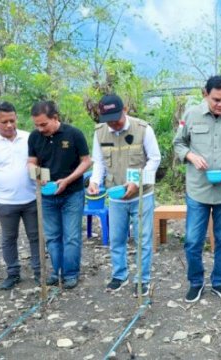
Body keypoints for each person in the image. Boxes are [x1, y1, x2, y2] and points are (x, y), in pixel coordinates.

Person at [173, 75, 221, 303]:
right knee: (193, 240)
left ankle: (219, 282)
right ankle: (196, 283)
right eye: (216, 99)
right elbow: (179, 143)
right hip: (198, 189)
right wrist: (190, 156)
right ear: (205, 94)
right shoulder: (191, 115)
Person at [87, 94, 161, 296]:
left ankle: (142, 279)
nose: (113, 124)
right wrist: (94, 181)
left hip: (142, 195)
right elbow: (99, 162)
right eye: (108, 119)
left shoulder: (143, 129)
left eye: (116, 118)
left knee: (142, 238)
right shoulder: (100, 133)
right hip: (115, 194)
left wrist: (138, 181)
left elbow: (154, 159)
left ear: (125, 110)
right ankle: (119, 275)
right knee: (116, 238)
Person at [0, 101, 40, 290]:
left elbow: (37, 163)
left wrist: (42, 181)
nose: (10, 125)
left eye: (12, 120)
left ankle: (39, 271)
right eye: (4, 122)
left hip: (31, 198)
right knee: (9, 238)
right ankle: (13, 273)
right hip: (5, 201)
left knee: (36, 236)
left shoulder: (30, 138)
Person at [27, 101, 91, 289]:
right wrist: (38, 176)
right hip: (47, 195)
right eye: (36, 125)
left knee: (71, 236)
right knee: (53, 236)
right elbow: (31, 162)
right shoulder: (34, 138)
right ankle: (57, 271)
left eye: (44, 124)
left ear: (55, 118)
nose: (40, 129)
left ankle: (71, 273)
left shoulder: (74, 134)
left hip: (72, 193)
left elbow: (86, 162)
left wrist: (68, 180)